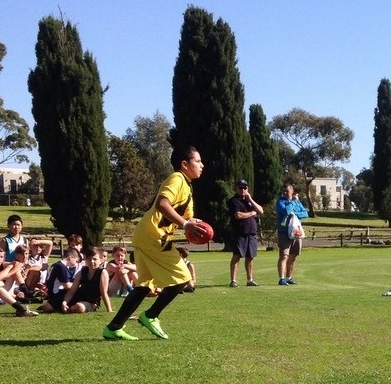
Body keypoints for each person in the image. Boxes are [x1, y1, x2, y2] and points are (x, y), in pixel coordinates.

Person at [102, 145, 207, 341]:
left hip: (145, 234)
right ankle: (150, 316)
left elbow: (183, 217)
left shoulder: (187, 186)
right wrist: (185, 224)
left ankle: (114, 327)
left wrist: (192, 224)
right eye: (198, 161)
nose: (202, 165)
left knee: (144, 285)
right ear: (184, 164)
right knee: (184, 279)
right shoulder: (177, 178)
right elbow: (162, 203)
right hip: (153, 236)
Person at [227, 179, 264, 287]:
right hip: (240, 233)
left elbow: (261, 211)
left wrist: (250, 199)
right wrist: (251, 213)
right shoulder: (234, 201)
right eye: (240, 187)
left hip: (251, 233)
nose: (243, 190)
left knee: (250, 256)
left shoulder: (249, 201)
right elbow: (238, 215)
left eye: (245, 188)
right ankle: (233, 280)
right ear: (236, 188)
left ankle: (250, 280)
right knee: (237, 256)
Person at [56, 247, 113, 313]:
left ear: (101, 260)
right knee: (49, 307)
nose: (92, 261)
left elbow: (104, 293)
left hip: (91, 303)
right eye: (89, 259)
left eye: (95, 259)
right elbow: (72, 290)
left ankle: (70, 308)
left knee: (79, 307)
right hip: (78, 298)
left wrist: (109, 310)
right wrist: (64, 302)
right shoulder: (82, 271)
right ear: (85, 260)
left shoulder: (102, 272)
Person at [276, 181, 309, 286]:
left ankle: (289, 277)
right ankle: (281, 278)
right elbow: (286, 211)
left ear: (292, 191)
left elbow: (305, 213)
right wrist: (291, 202)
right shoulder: (280, 202)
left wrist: (295, 213)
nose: (285, 193)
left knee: (293, 255)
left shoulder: (297, 202)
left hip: (296, 232)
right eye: (284, 191)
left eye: (287, 191)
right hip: (284, 232)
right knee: (284, 255)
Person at [41, 247, 80, 312]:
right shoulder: (61, 267)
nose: (75, 263)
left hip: (52, 294)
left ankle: (49, 306)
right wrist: (78, 285)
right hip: (57, 294)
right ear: (70, 258)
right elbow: (67, 286)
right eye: (75, 261)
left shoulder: (56, 265)